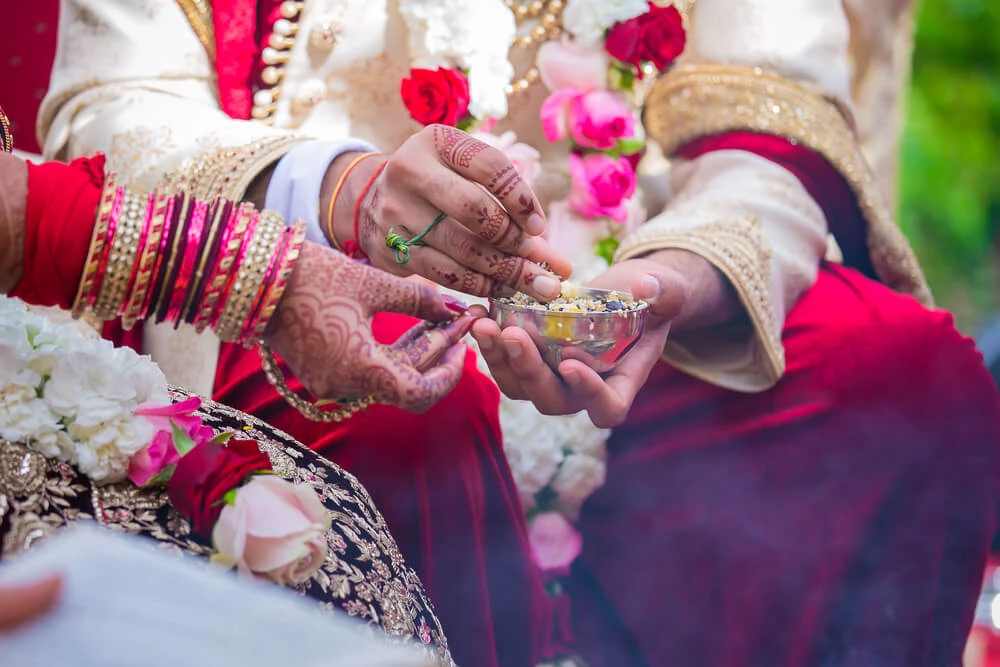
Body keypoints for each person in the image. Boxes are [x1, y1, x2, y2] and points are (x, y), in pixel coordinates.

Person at [38, 1, 1000, 665]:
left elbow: (769, 114)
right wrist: (343, 189)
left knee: (908, 383)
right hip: (303, 277)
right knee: (392, 415)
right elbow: (111, 107)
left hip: (641, 304)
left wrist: (673, 281)